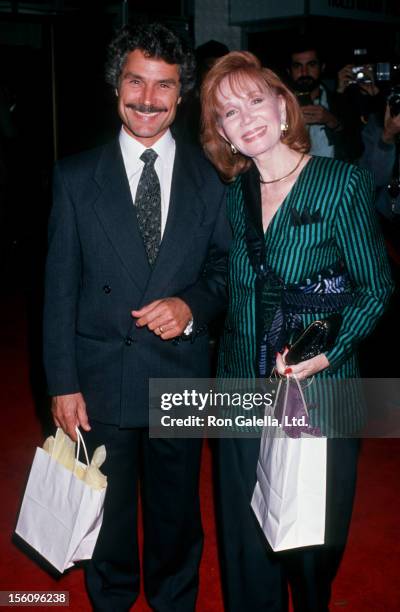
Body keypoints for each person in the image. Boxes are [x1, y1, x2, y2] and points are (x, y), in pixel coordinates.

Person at [43, 23, 230, 611]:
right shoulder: (75, 178)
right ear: (114, 85)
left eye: (164, 86)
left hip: (180, 374)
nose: (148, 99)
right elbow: (58, 290)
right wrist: (62, 384)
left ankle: (175, 599)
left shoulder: (213, 178)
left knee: (177, 513)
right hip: (102, 376)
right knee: (110, 514)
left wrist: (191, 306)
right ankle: (113, 599)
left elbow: (226, 270)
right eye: (135, 81)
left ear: (182, 94)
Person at [201, 50, 393, 611]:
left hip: (318, 389)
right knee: (244, 536)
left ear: (284, 107)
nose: (247, 117)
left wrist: (326, 356)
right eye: (229, 112)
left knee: (309, 542)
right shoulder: (233, 197)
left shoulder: (342, 184)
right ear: (223, 133)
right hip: (240, 385)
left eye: (255, 100)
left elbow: (376, 289)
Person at [287, 38, 360, 161]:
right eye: (297, 66)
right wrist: (290, 125)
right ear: (289, 71)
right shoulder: (280, 104)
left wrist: (332, 122)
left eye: (311, 65)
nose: (304, 72)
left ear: (322, 67)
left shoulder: (340, 100)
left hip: (333, 177)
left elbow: (356, 150)